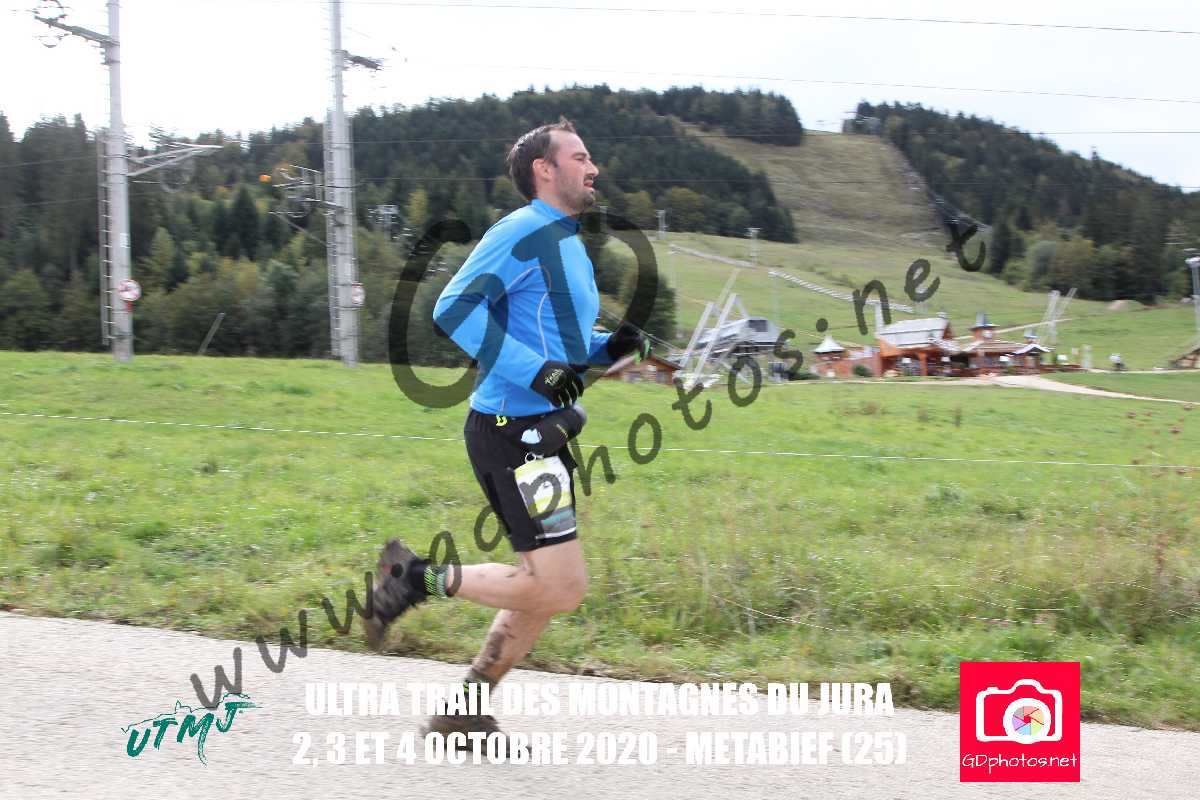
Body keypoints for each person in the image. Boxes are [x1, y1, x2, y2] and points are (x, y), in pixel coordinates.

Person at [362, 118, 650, 742]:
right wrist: (538, 374)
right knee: (561, 587)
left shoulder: (568, 244)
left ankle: (466, 708)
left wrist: (608, 347)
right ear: (545, 170)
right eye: (580, 156)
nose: (593, 167)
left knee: (545, 584)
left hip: (539, 432)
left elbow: (559, 346)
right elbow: (452, 308)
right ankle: (412, 578)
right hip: (510, 432)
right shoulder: (521, 230)